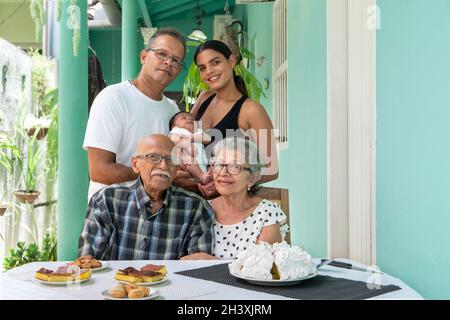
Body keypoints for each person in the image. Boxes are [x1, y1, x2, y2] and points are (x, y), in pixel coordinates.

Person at [83, 28, 186, 200]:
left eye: (176, 60)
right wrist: (160, 176)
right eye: (161, 54)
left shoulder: (172, 109)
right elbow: (99, 170)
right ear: (144, 56)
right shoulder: (114, 98)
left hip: (155, 212)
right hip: (112, 211)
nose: (168, 62)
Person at [78, 134, 214, 260]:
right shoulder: (107, 200)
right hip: (115, 285)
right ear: (135, 164)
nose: (163, 165)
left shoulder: (196, 208)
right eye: (153, 157)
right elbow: (88, 264)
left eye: (170, 159)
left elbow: (197, 268)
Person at [176, 40, 279, 198]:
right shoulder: (204, 98)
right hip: (192, 201)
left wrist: (221, 184)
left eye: (215, 62)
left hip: (231, 204)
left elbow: (271, 169)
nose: (209, 71)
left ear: (231, 61)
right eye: (202, 68)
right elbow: (183, 137)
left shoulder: (251, 110)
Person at [181, 137, 288, 261]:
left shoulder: (267, 213)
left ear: (252, 178)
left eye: (235, 166)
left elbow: (262, 268)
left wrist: (214, 263)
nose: (223, 172)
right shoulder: (202, 209)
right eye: (219, 164)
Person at [168, 111, 212, 185]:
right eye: (183, 118)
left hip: (203, 163)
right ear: (174, 126)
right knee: (189, 161)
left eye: (192, 119)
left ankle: (203, 178)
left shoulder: (198, 131)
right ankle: (201, 177)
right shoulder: (177, 130)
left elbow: (208, 139)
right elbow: (173, 139)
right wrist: (187, 145)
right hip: (187, 162)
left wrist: (191, 138)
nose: (189, 119)